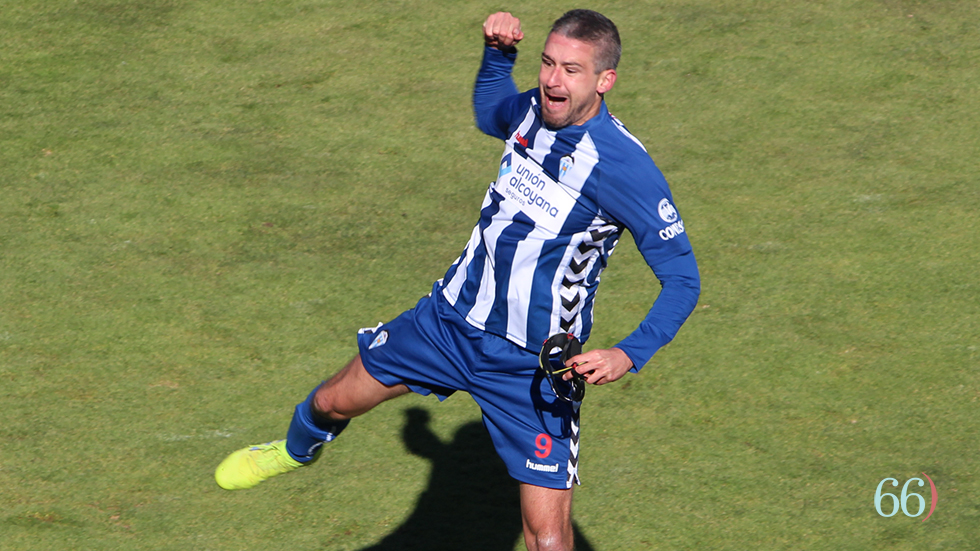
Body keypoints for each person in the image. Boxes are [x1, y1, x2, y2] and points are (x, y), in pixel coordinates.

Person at [215, 9, 700, 551]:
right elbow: (488, 110)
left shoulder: (626, 168)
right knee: (330, 403)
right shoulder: (532, 112)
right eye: (546, 63)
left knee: (547, 539)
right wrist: (498, 55)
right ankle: (293, 452)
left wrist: (628, 353)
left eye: (571, 70)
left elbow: (683, 279)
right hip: (446, 323)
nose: (551, 80)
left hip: (531, 368)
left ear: (604, 81)